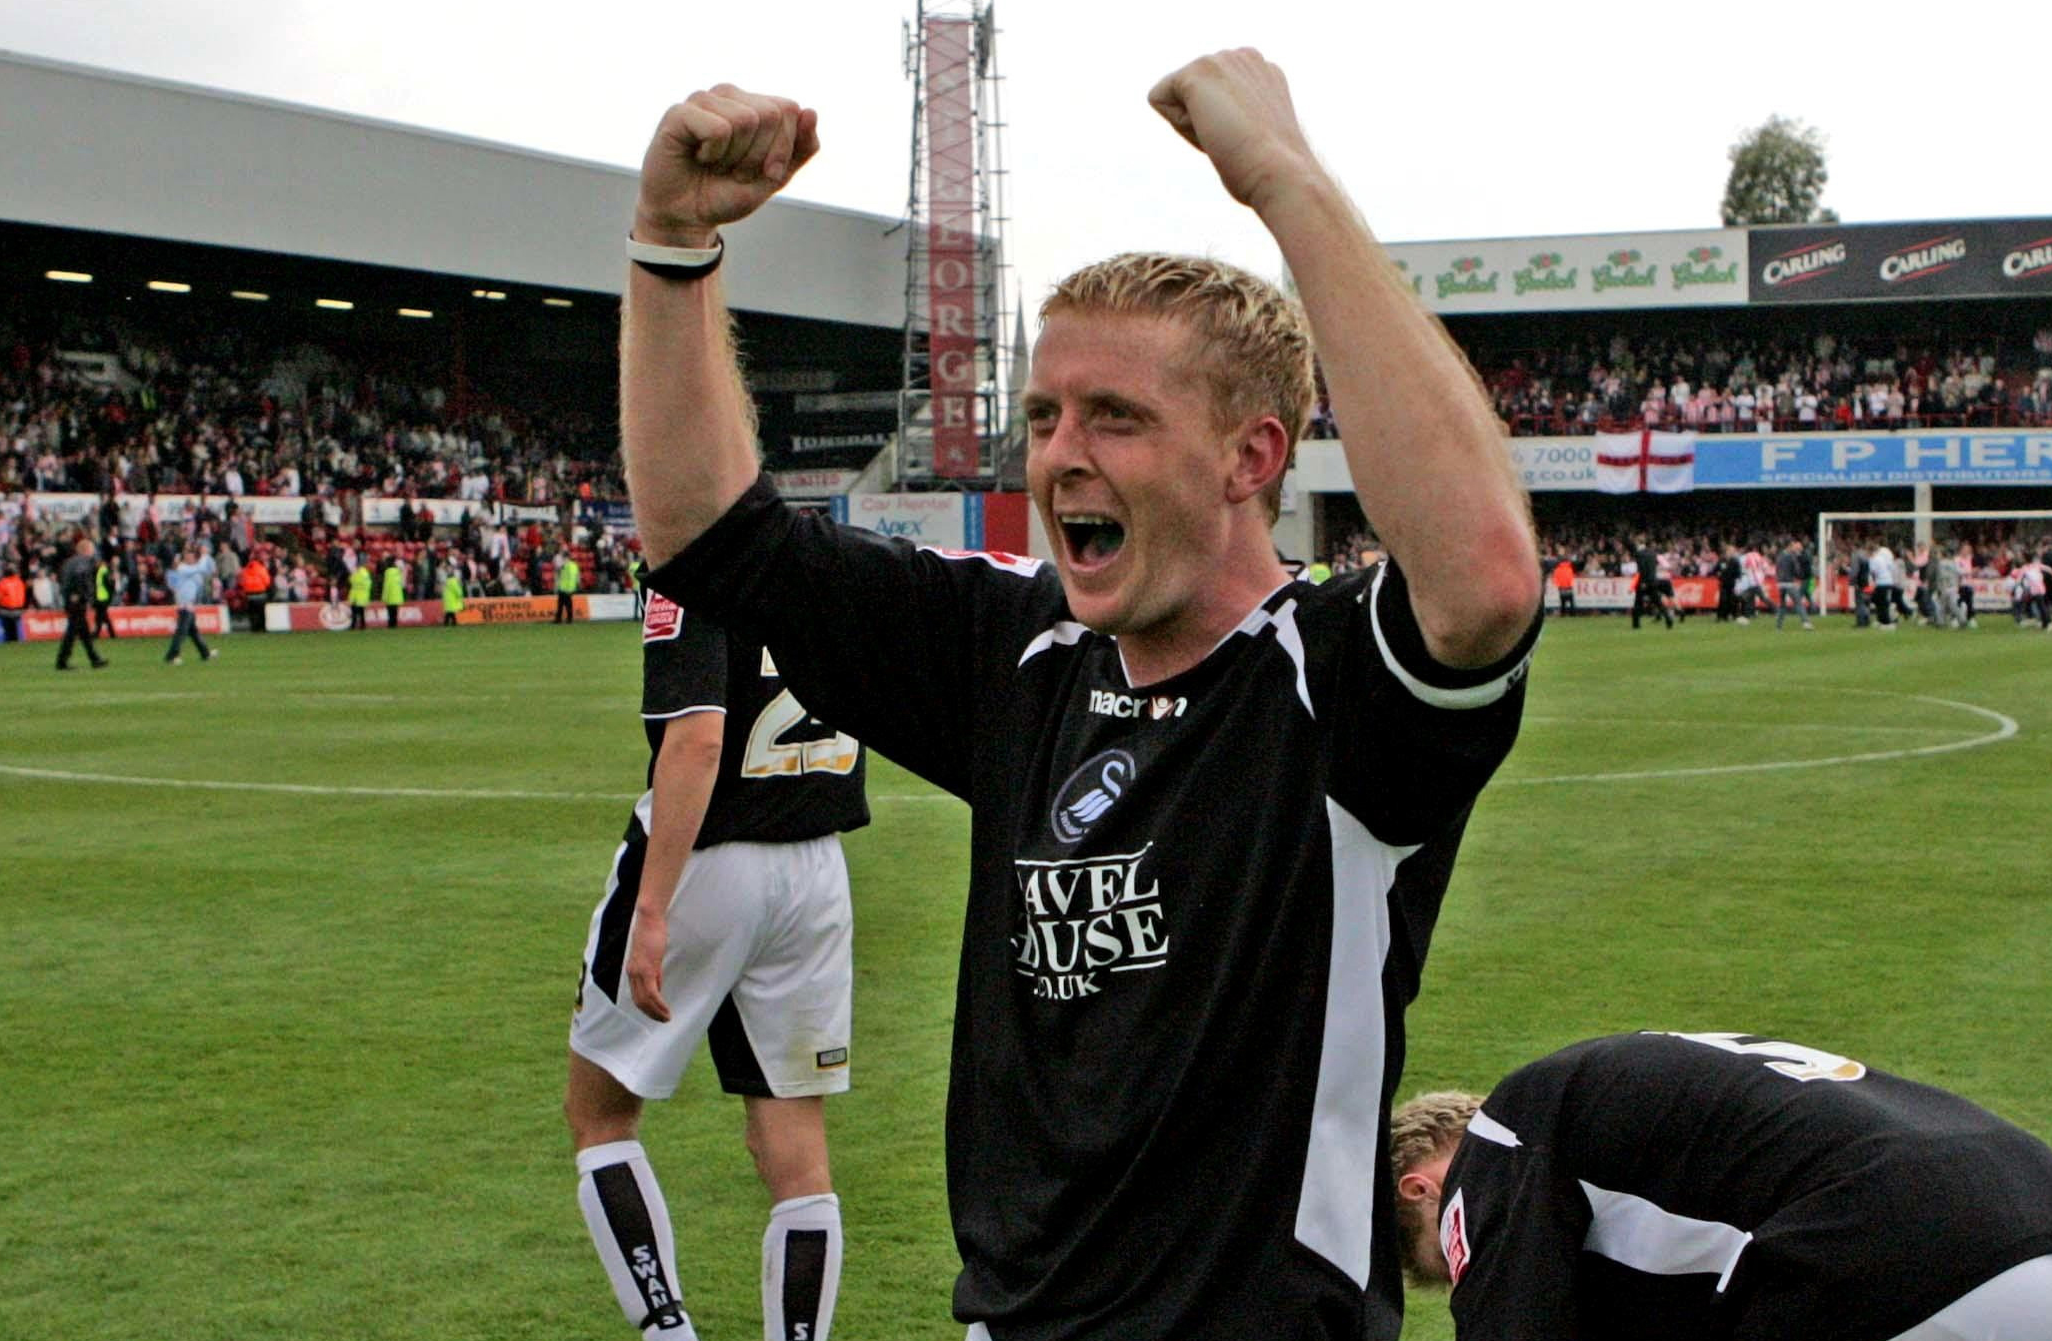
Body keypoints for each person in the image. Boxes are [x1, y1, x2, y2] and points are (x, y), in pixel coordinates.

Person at [618, 54, 1541, 1340]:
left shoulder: (1329, 681)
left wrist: (1283, 182)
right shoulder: (1020, 651)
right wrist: (671, 246)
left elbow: (1486, 583)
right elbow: (713, 541)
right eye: (1045, 414)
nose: (1059, 455)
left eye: (1114, 416)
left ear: (1249, 455)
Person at [1393, 1031, 2052, 1341]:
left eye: (1444, 1262)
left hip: (1913, 1262)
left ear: (1420, 1189)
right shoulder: (1618, 1103)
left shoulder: (1504, 1139)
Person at [566, 591, 866, 1341]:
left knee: (599, 1112)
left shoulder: (693, 568)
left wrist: (654, 906)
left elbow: (697, 740)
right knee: (796, 1156)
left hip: (709, 852)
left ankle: (668, 1331)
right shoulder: (815, 561)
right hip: (817, 866)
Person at [55, 537, 111, 670]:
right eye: (92, 549)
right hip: (77, 600)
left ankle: (94, 658)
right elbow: (80, 577)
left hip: (70, 599)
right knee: (72, 630)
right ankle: (62, 661)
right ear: (86, 550)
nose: (93, 552)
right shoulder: (83, 562)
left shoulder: (70, 562)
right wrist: (81, 595)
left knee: (84, 632)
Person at [163, 542, 218, 664]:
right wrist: (204, 555)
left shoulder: (193, 569)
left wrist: (207, 556)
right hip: (184, 605)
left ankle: (205, 653)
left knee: (193, 632)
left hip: (190, 604)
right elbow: (202, 568)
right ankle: (172, 655)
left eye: (192, 554)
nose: (190, 556)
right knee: (182, 632)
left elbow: (210, 569)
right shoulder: (183, 568)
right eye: (188, 554)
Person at [1773, 539, 1812, 629]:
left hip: (1781, 583)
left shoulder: (1779, 556)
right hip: (1789, 583)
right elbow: (1796, 570)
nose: (1794, 548)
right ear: (1789, 546)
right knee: (1798, 603)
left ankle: (1779, 626)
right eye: (1793, 546)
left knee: (1782, 605)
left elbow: (1777, 569)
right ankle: (1806, 622)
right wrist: (1801, 576)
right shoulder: (1791, 556)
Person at [0, 562, 27, 643]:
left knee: (8, 629)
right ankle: (14, 642)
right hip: (17, 610)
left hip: (6, 610)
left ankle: (10, 642)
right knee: (14, 629)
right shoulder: (19, 582)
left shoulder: (3, 582)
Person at [556, 547, 582, 624]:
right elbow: (578, 576)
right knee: (568, 604)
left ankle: (559, 619)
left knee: (561, 604)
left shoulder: (564, 565)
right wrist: (577, 585)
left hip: (564, 588)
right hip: (571, 588)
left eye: (563, 557)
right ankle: (569, 619)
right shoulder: (574, 565)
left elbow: (559, 571)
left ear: (565, 557)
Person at [381, 554, 407, 628]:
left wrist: (384, 596)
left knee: (390, 611)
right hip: (397, 594)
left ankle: (390, 624)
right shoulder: (398, 571)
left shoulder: (388, 572)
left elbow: (387, 585)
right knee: (395, 610)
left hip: (390, 594)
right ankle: (394, 624)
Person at [347, 558, 372, 630]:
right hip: (358, 595)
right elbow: (368, 584)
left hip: (357, 595)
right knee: (358, 612)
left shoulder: (359, 573)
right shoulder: (361, 573)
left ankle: (357, 626)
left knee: (357, 612)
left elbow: (351, 581)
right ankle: (359, 625)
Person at [440, 562, 465, 627]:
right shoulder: (453, 581)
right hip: (452, 599)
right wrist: (461, 594)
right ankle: (452, 623)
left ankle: (450, 623)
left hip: (447, 598)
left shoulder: (447, 581)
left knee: (449, 612)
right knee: (450, 612)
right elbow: (457, 590)